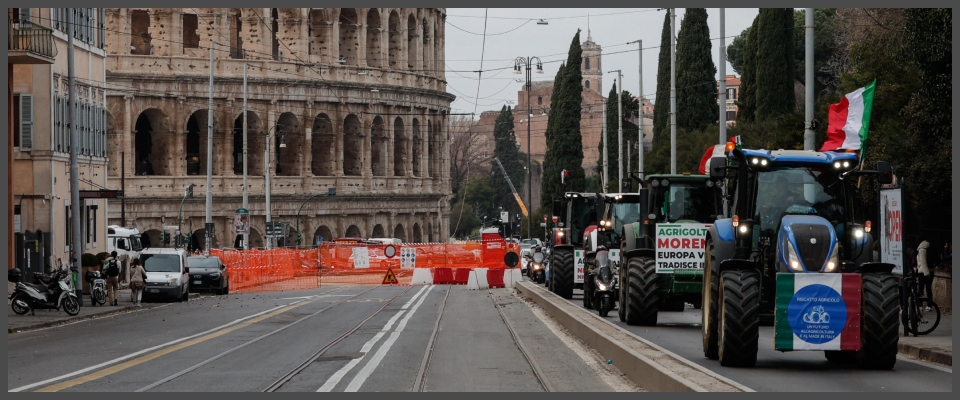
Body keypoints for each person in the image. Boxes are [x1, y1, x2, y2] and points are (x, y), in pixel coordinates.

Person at [916, 240, 933, 310]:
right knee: (928, 289)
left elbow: (923, 262)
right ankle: (929, 305)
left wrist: (926, 273)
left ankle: (920, 305)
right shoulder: (928, 248)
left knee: (921, 289)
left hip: (923, 272)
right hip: (930, 271)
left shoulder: (922, 250)